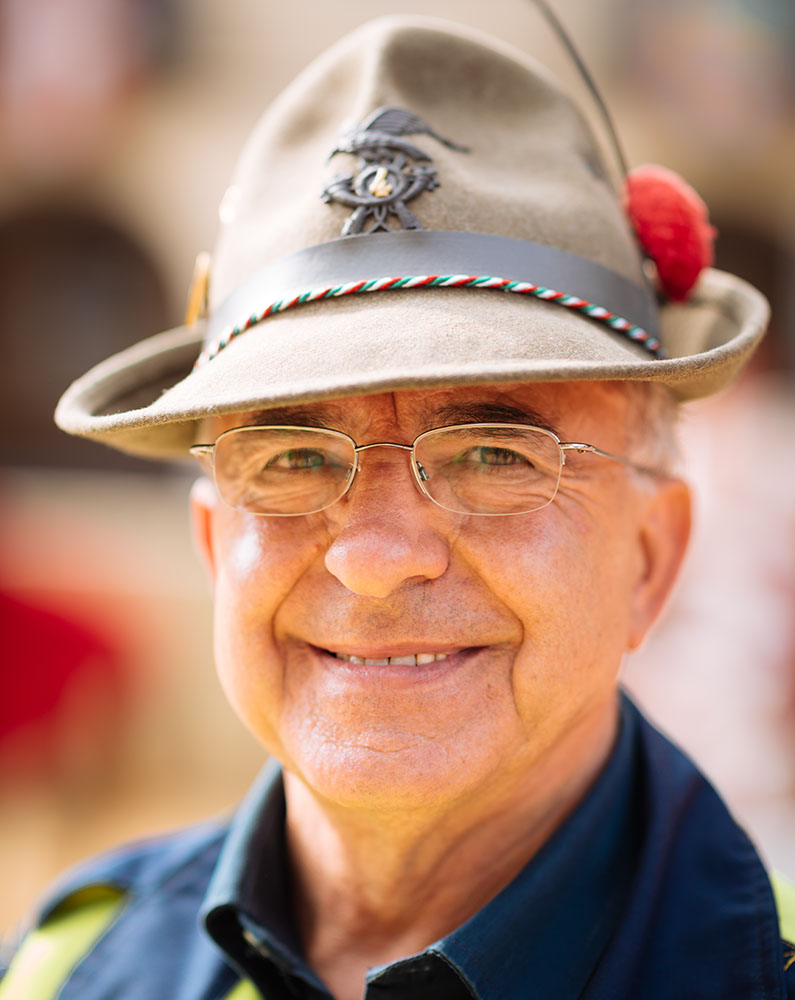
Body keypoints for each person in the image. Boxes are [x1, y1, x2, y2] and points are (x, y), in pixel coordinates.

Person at [2, 14, 791, 1000]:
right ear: (214, 547)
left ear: (651, 557)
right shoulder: (69, 970)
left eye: (494, 454)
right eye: (290, 455)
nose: (374, 555)